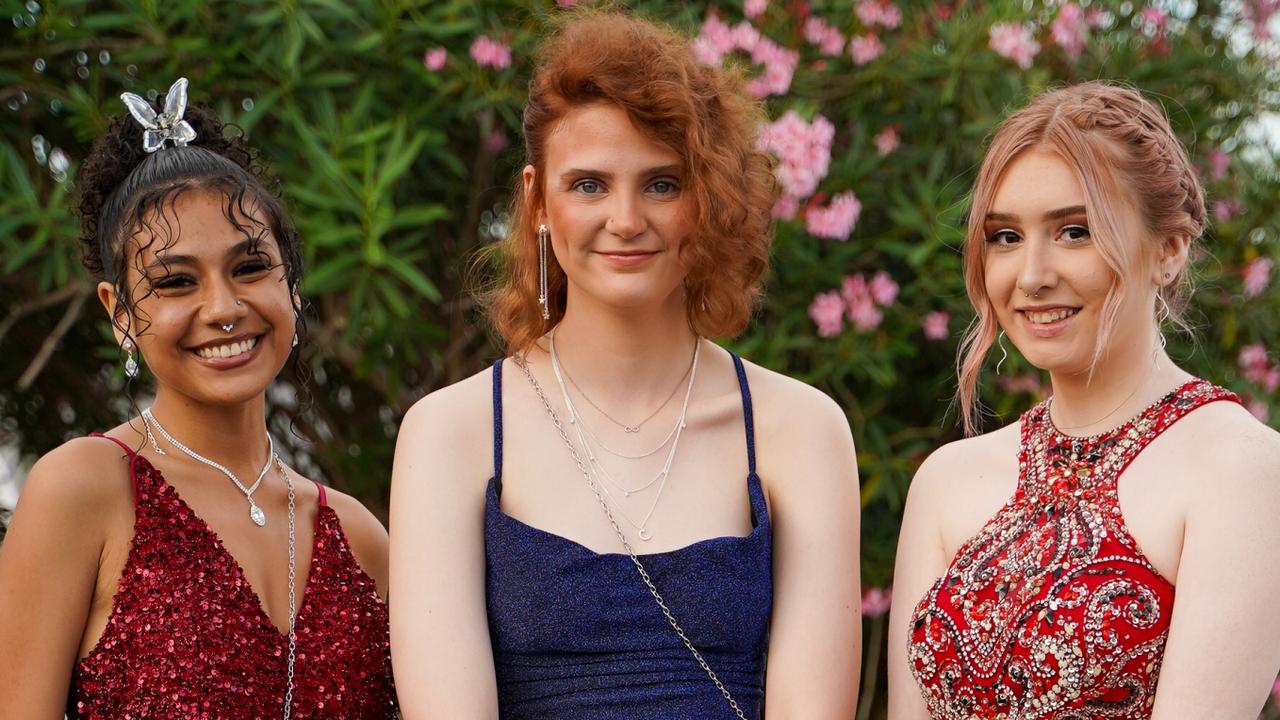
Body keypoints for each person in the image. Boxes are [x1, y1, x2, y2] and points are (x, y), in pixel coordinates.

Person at [390, 10, 861, 719]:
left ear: (706, 198)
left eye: (662, 185)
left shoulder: (801, 430)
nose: (626, 219)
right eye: (588, 185)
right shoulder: (448, 434)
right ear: (536, 199)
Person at [0, 78, 397, 718]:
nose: (224, 308)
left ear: (292, 283)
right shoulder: (83, 491)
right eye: (176, 281)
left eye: (249, 268)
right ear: (120, 313)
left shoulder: (360, 539)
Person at [887, 81, 1280, 718]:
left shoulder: (1242, 470)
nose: (1033, 275)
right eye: (1005, 237)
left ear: (1170, 250)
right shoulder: (946, 480)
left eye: (1074, 231)